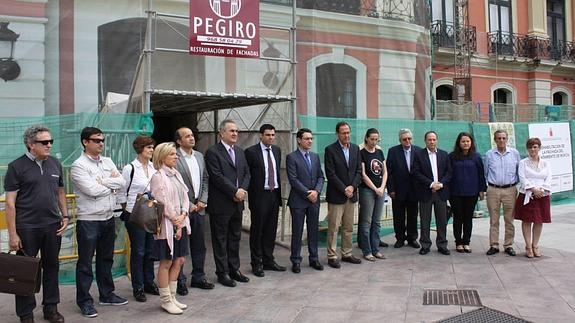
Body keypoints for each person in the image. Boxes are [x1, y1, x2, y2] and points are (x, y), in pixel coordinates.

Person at [4, 126, 69, 323]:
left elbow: (60, 192)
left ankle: (51, 308)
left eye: (51, 142)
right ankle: (25, 314)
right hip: (27, 227)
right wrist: (13, 234)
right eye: (44, 142)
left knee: (52, 267)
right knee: (25, 270)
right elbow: (9, 203)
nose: (49, 145)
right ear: (31, 145)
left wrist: (65, 217)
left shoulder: (55, 164)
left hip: (52, 226)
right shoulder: (16, 167)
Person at [71, 127, 127, 318]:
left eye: (102, 140)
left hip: (108, 217)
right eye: (96, 140)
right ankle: (85, 302)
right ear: (85, 142)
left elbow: (122, 182)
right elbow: (91, 191)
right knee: (85, 263)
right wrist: (109, 184)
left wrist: (102, 182)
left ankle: (107, 294)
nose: (101, 143)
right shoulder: (78, 165)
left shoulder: (107, 161)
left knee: (106, 258)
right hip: (89, 220)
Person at [205, 119, 251, 287]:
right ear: (221, 133)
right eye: (231, 131)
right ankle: (222, 273)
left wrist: (242, 191)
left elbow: (247, 173)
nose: (235, 134)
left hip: (237, 203)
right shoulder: (212, 152)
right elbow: (217, 177)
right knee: (220, 239)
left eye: (236, 131)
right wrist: (234, 191)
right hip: (221, 204)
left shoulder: (240, 151)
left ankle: (234, 269)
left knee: (235, 237)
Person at [149, 142, 191, 315]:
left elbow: (185, 197)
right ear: (162, 157)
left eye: (176, 154)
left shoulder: (176, 174)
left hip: (180, 222)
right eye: (172, 154)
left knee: (179, 260)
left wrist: (183, 215)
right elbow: (162, 202)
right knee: (166, 262)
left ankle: (172, 297)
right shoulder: (158, 176)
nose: (176, 156)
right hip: (168, 226)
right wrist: (176, 220)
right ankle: (166, 300)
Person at [117, 135, 159, 302]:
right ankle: (138, 286)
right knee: (138, 250)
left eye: (152, 147)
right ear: (140, 149)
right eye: (148, 147)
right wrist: (126, 208)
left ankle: (149, 282)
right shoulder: (130, 168)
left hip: (151, 213)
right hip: (134, 214)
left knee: (150, 250)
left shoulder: (154, 167)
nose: (151, 150)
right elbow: (122, 190)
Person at [174, 127, 215, 295]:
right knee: (181, 246)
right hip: (182, 209)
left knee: (199, 245)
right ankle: (179, 281)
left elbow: (205, 178)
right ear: (178, 141)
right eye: (187, 136)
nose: (191, 138)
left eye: (192, 135)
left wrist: (203, 200)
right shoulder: (173, 157)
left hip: (199, 208)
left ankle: (198, 276)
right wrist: (189, 204)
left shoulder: (199, 156)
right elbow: (174, 184)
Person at [245, 124, 286, 277]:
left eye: (273, 135)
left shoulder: (276, 151)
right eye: (268, 135)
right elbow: (247, 175)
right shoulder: (251, 152)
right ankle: (256, 263)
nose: (271, 138)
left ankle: (268, 260)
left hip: (274, 194)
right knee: (257, 230)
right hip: (259, 196)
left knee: (270, 230)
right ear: (260, 135)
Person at [286, 128, 325, 273]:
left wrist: (317, 191)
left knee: (313, 230)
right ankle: (295, 260)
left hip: (314, 200)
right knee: (297, 231)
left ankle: (314, 258)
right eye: (307, 138)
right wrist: (308, 193)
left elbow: (321, 176)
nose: (310, 141)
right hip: (298, 201)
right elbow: (293, 179)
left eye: (311, 139)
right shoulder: (292, 157)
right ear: (299, 140)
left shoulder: (315, 157)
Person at [324, 121, 362, 268]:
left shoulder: (355, 149)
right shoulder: (330, 150)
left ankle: (347, 253)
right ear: (337, 134)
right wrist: (344, 188)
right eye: (343, 133)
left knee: (348, 226)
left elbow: (359, 171)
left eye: (348, 132)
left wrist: (352, 187)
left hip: (351, 194)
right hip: (337, 195)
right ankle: (332, 256)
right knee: (333, 227)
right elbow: (331, 174)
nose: (346, 135)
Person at [413, 131, 452, 256]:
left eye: (434, 139)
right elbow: (416, 172)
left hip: (441, 193)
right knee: (425, 220)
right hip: (426, 192)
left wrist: (440, 184)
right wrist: (431, 184)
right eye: (429, 139)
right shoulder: (419, 155)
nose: (432, 142)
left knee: (442, 220)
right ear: (425, 141)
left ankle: (442, 245)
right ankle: (425, 245)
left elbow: (449, 172)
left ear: (437, 140)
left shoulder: (444, 155)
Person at [483, 129, 521, 256]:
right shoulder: (489, 154)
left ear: (507, 139)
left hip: (510, 190)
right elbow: (485, 172)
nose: (501, 140)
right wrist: (484, 189)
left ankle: (508, 245)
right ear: (494, 140)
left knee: (509, 219)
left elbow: (519, 172)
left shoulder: (514, 153)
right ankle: (494, 245)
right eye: (498, 138)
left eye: (503, 138)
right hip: (493, 190)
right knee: (494, 220)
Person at [448, 132, 487, 253]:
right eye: (463, 141)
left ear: (471, 143)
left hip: (472, 193)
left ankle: (466, 242)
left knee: (468, 218)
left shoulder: (476, 156)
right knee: (458, 217)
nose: (465, 143)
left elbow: (481, 174)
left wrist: (482, 190)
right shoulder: (452, 157)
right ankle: (458, 242)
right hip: (455, 193)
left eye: (468, 141)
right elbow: (448, 174)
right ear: (459, 143)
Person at [514, 138, 552, 258]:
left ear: (539, 148)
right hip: (527, 195)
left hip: (542, 195)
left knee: (539, 221)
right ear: (527, 149)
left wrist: (542, 190)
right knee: (527, 220)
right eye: (530, 147)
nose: (532, 149)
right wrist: (533, 189)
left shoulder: (546, 163)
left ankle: (535, 245)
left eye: (535, 147)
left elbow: (549, 177)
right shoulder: (523, 163)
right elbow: (522, 178)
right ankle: (528, 247)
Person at [386, 128, 421, 249]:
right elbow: (389, 172)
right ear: (400, 140)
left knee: (413, 215)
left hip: (414, 190)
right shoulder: (393, 151)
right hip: (398, 190)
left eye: (409, 139)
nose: (407, 141)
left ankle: (412, 238)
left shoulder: (419, 151)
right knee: (398, 216)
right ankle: (400, 238)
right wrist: (390, 189)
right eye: (404, 139)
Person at [358, 128, 388, 261]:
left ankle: (376, 249)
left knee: (377, 222)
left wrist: (382, 187)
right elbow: (363, 174)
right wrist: (375, 189)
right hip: (367, 190)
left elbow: (385, 171)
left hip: (380, 190)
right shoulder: (362, 153)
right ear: (366, 138)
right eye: (372, 139)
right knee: (366, 222)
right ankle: (367, 251)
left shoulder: (380, 152)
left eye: (376, 139)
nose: (374, 142)